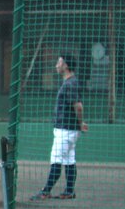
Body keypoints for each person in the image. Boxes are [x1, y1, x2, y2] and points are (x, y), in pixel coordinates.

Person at [31, 53, 86, 200]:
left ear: (66, 65)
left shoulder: (70, 83)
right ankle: (69, 190)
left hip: (66, 129)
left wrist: (81, 123)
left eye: (59, 62)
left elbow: (78, 106)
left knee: (57, 159)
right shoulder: (70, 82)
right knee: (69, 160)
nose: (56, 65)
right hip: (69, 129)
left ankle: (46, 191)